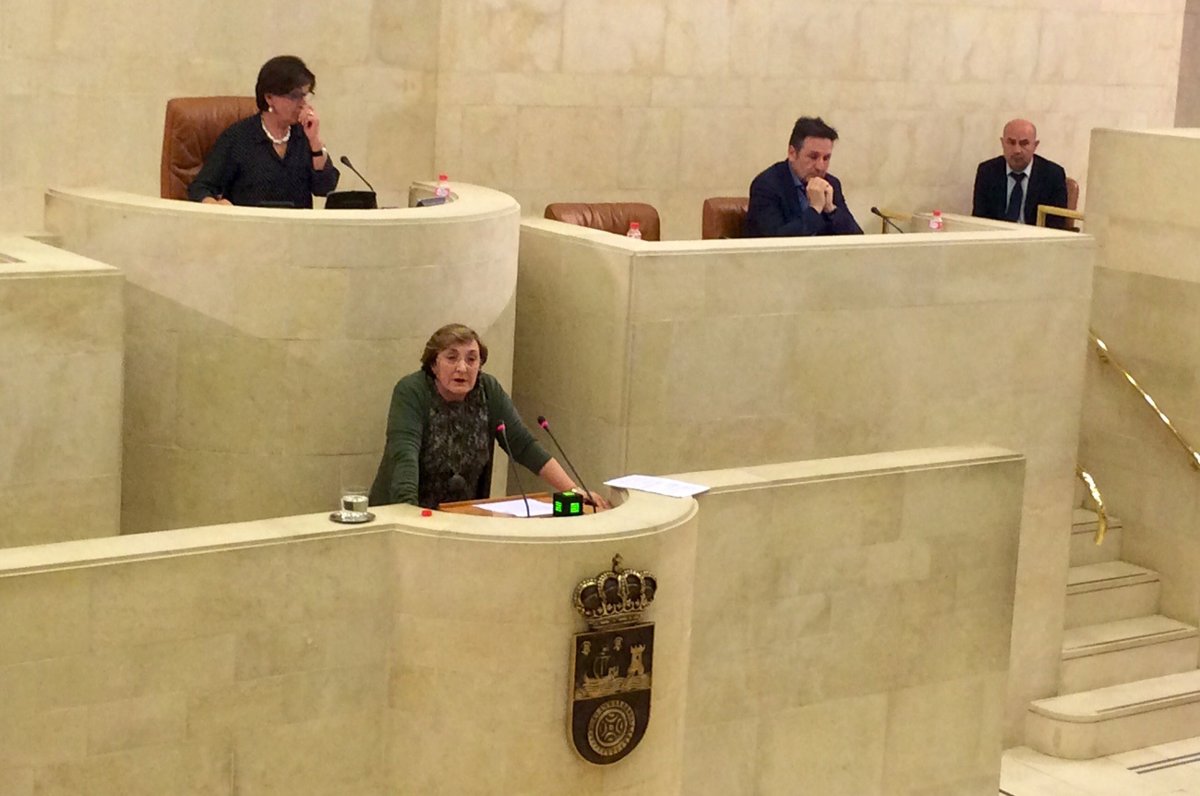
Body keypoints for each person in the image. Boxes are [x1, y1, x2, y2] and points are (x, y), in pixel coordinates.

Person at [369, 323, 609, 511]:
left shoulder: (488, 390)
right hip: (406, 515)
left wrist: (573, 490)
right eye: (451, 358)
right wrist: (408, 516)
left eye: (471, 359)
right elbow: (405, 456)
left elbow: (523, 446)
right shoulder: (412, 391)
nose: (462, 368)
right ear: (433, 364)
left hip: (463, 516)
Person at [188, 55, 339, 208]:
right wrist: (215, 204)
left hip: (297, 223)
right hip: (249, 223)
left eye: (304, 95)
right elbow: (200, 188)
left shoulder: (303, 135)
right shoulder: (238, 137)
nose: (302, 103)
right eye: (294, 96)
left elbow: (325, 188)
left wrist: (315, 142)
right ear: (269, 97)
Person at [744, 116, 863, 238]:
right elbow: (775, 241)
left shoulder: (831, 183)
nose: (820, 167)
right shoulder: (766, 185)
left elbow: (858, 239)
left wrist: (831, 209)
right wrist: (815, 209)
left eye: (826, 158)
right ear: (792, 153)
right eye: (813, 157)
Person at [972, 118, 1069, 228]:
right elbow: (979, 219)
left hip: (1035, 237)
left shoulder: (1052, 175)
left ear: (1035, 145)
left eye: (1024, 143)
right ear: (1002, 143)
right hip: (996, 235)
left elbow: (1056, 224)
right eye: (1011, 142)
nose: (1017, 150)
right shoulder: (987, 172)